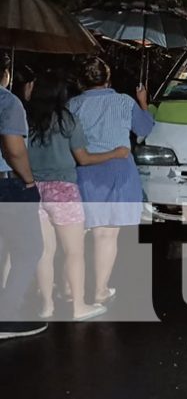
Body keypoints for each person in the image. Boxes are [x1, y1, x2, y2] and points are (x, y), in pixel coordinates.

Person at [26, 72, 131, 320]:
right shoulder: (66, 119)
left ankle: (47, 306)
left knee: (45, 252)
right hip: (63, 190)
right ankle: (79, 306)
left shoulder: (27, 120)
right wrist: (115, 154)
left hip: (34, 189)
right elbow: (83, 158)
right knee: (74, 251)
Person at [68, 58, 154, 305]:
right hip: (119, 170)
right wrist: (143, 103)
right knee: (107, 235)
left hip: (85, 170)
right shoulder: (125, 102)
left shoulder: (73, 105)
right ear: (108, 79)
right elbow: (144, 129)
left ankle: (71, 287)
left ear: (82, 80)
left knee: (83, 232)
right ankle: (99, 290)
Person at [0, 59, 46, 339]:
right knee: (30, 249)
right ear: (5, 74)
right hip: (8, 185)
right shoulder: (9, 102)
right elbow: (13, 147)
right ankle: (6, 316)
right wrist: (29, 180)